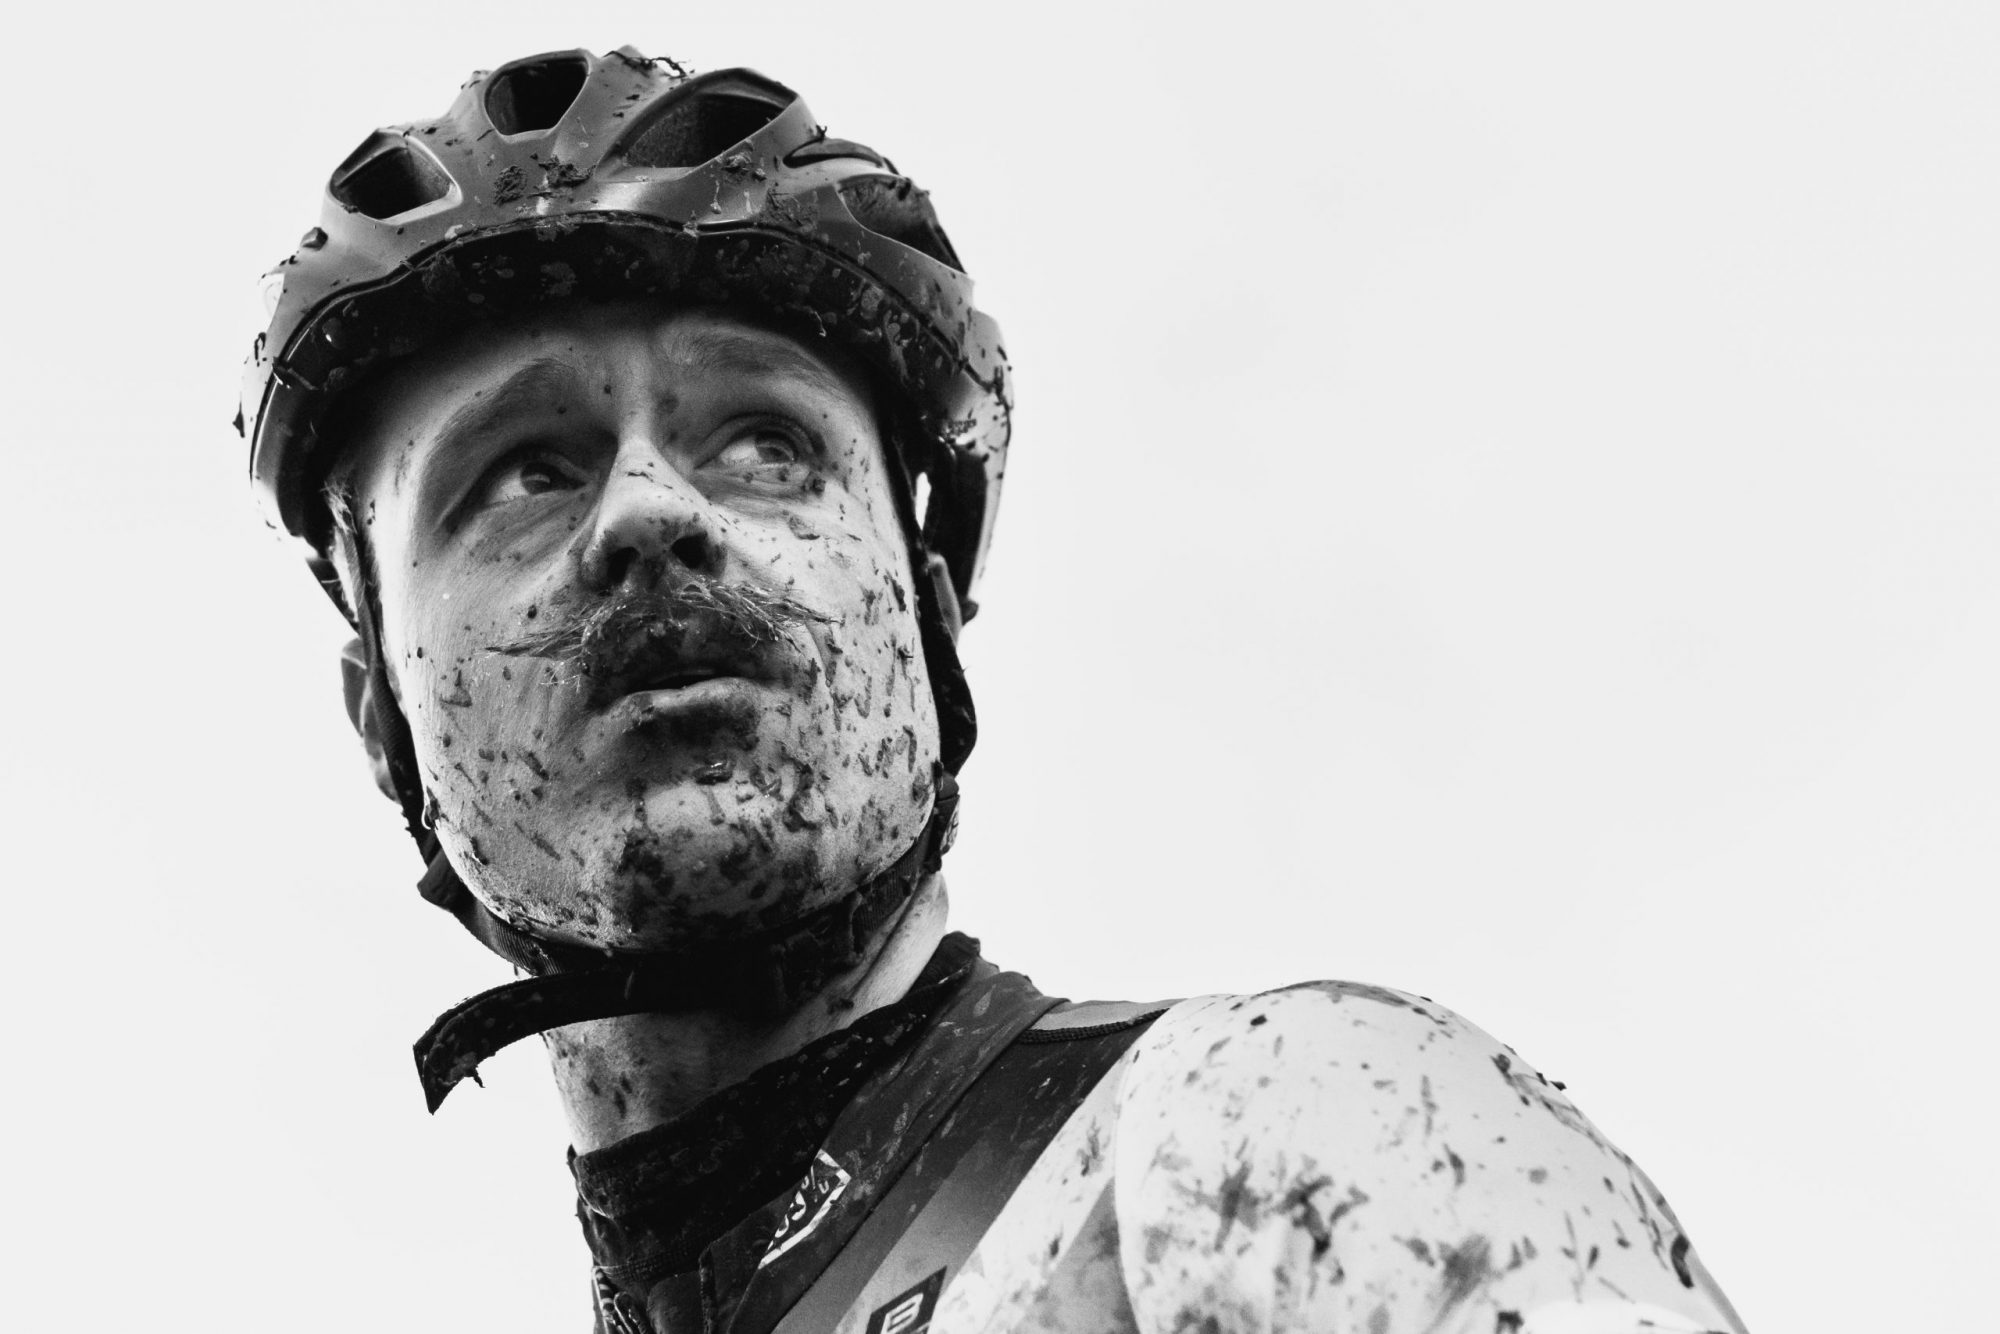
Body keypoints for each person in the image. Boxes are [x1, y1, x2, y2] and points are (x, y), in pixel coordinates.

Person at [238, 45, 1748, 1334]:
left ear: (933, 611)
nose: (648, 511)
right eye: (522, 470)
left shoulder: (1259, 1126)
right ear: (381, 718)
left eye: (765, 444)